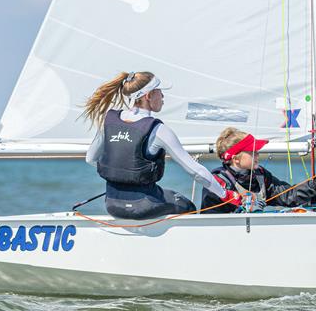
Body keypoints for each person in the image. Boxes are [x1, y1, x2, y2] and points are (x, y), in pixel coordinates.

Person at [83, 71, 241, 219]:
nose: (163, 96)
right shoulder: (158, 130)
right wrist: (225, 194)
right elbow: (196, 171)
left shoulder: (109, 120)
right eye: (159, 91)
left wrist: (121, 173)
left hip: (112, 204)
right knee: (188, 206)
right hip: (143, 206)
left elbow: (90, 158)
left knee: (166, 195)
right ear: (148, 95)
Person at [200, 127, 316, 214]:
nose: (258, 155)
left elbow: (288, 195)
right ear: (236, 159)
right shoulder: (218, 181)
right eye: (252, 152)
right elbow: (211, 220)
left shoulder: (260, 176)